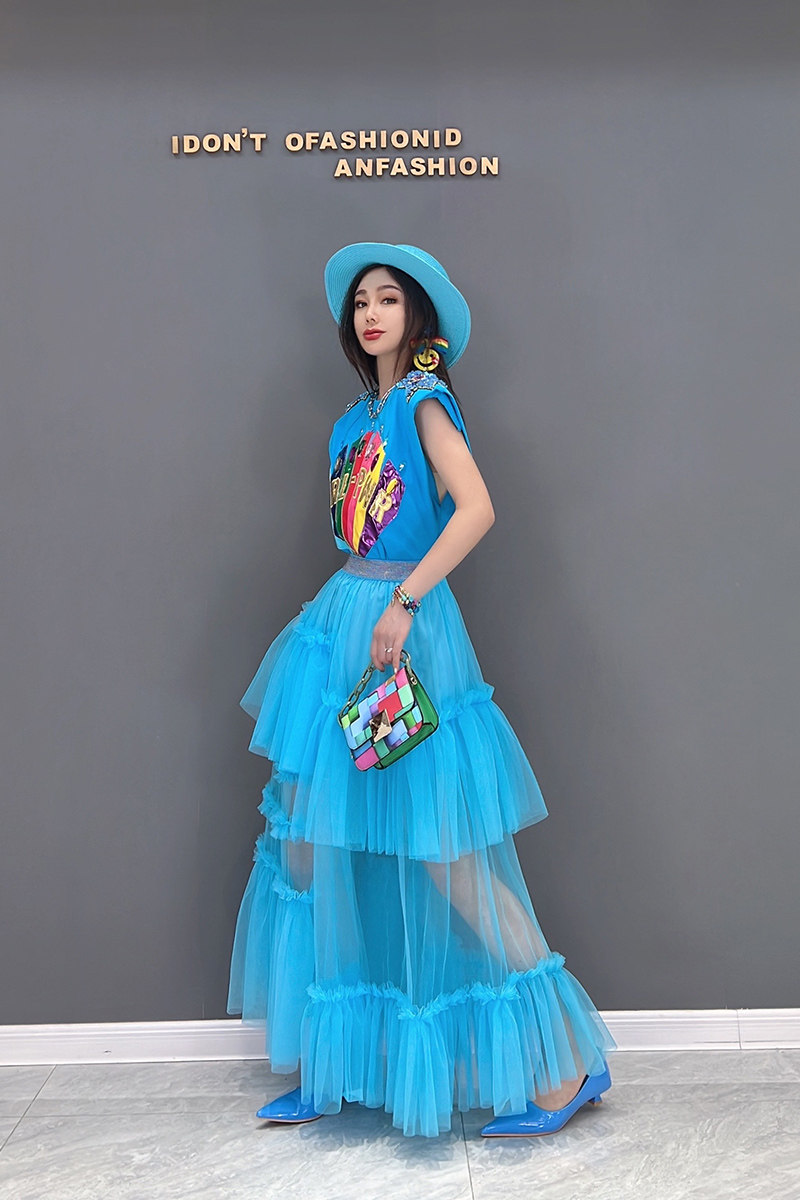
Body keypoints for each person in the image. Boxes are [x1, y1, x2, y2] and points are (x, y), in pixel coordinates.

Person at [226, 242, 615, 1139]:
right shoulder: (350, 421)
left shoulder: (422, 402)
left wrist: (403, 602)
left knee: (445, 855)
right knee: (308, 847)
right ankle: (326, 1065)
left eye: (388, 299)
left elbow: (476, 508)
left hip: (403, 635)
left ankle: (566, 1062)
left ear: (418, 316)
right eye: (361, 301)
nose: (371, 313)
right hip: (339, 633)